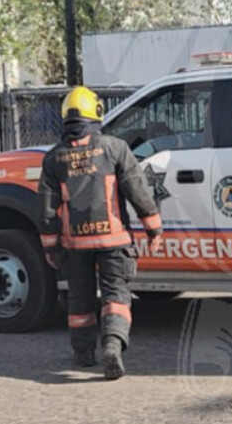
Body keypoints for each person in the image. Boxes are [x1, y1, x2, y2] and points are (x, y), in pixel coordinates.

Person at [38, 86, 163, 379]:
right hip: (114, 240)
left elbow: (46, 210)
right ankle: (112, 344)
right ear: (96, 112)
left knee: (79, 301)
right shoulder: (115, 148)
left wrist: (50, 247)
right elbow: (137, 190)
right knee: (116, 295)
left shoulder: (54, 158)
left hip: (74, 244)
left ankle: (83, 354)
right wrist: (153, 228)